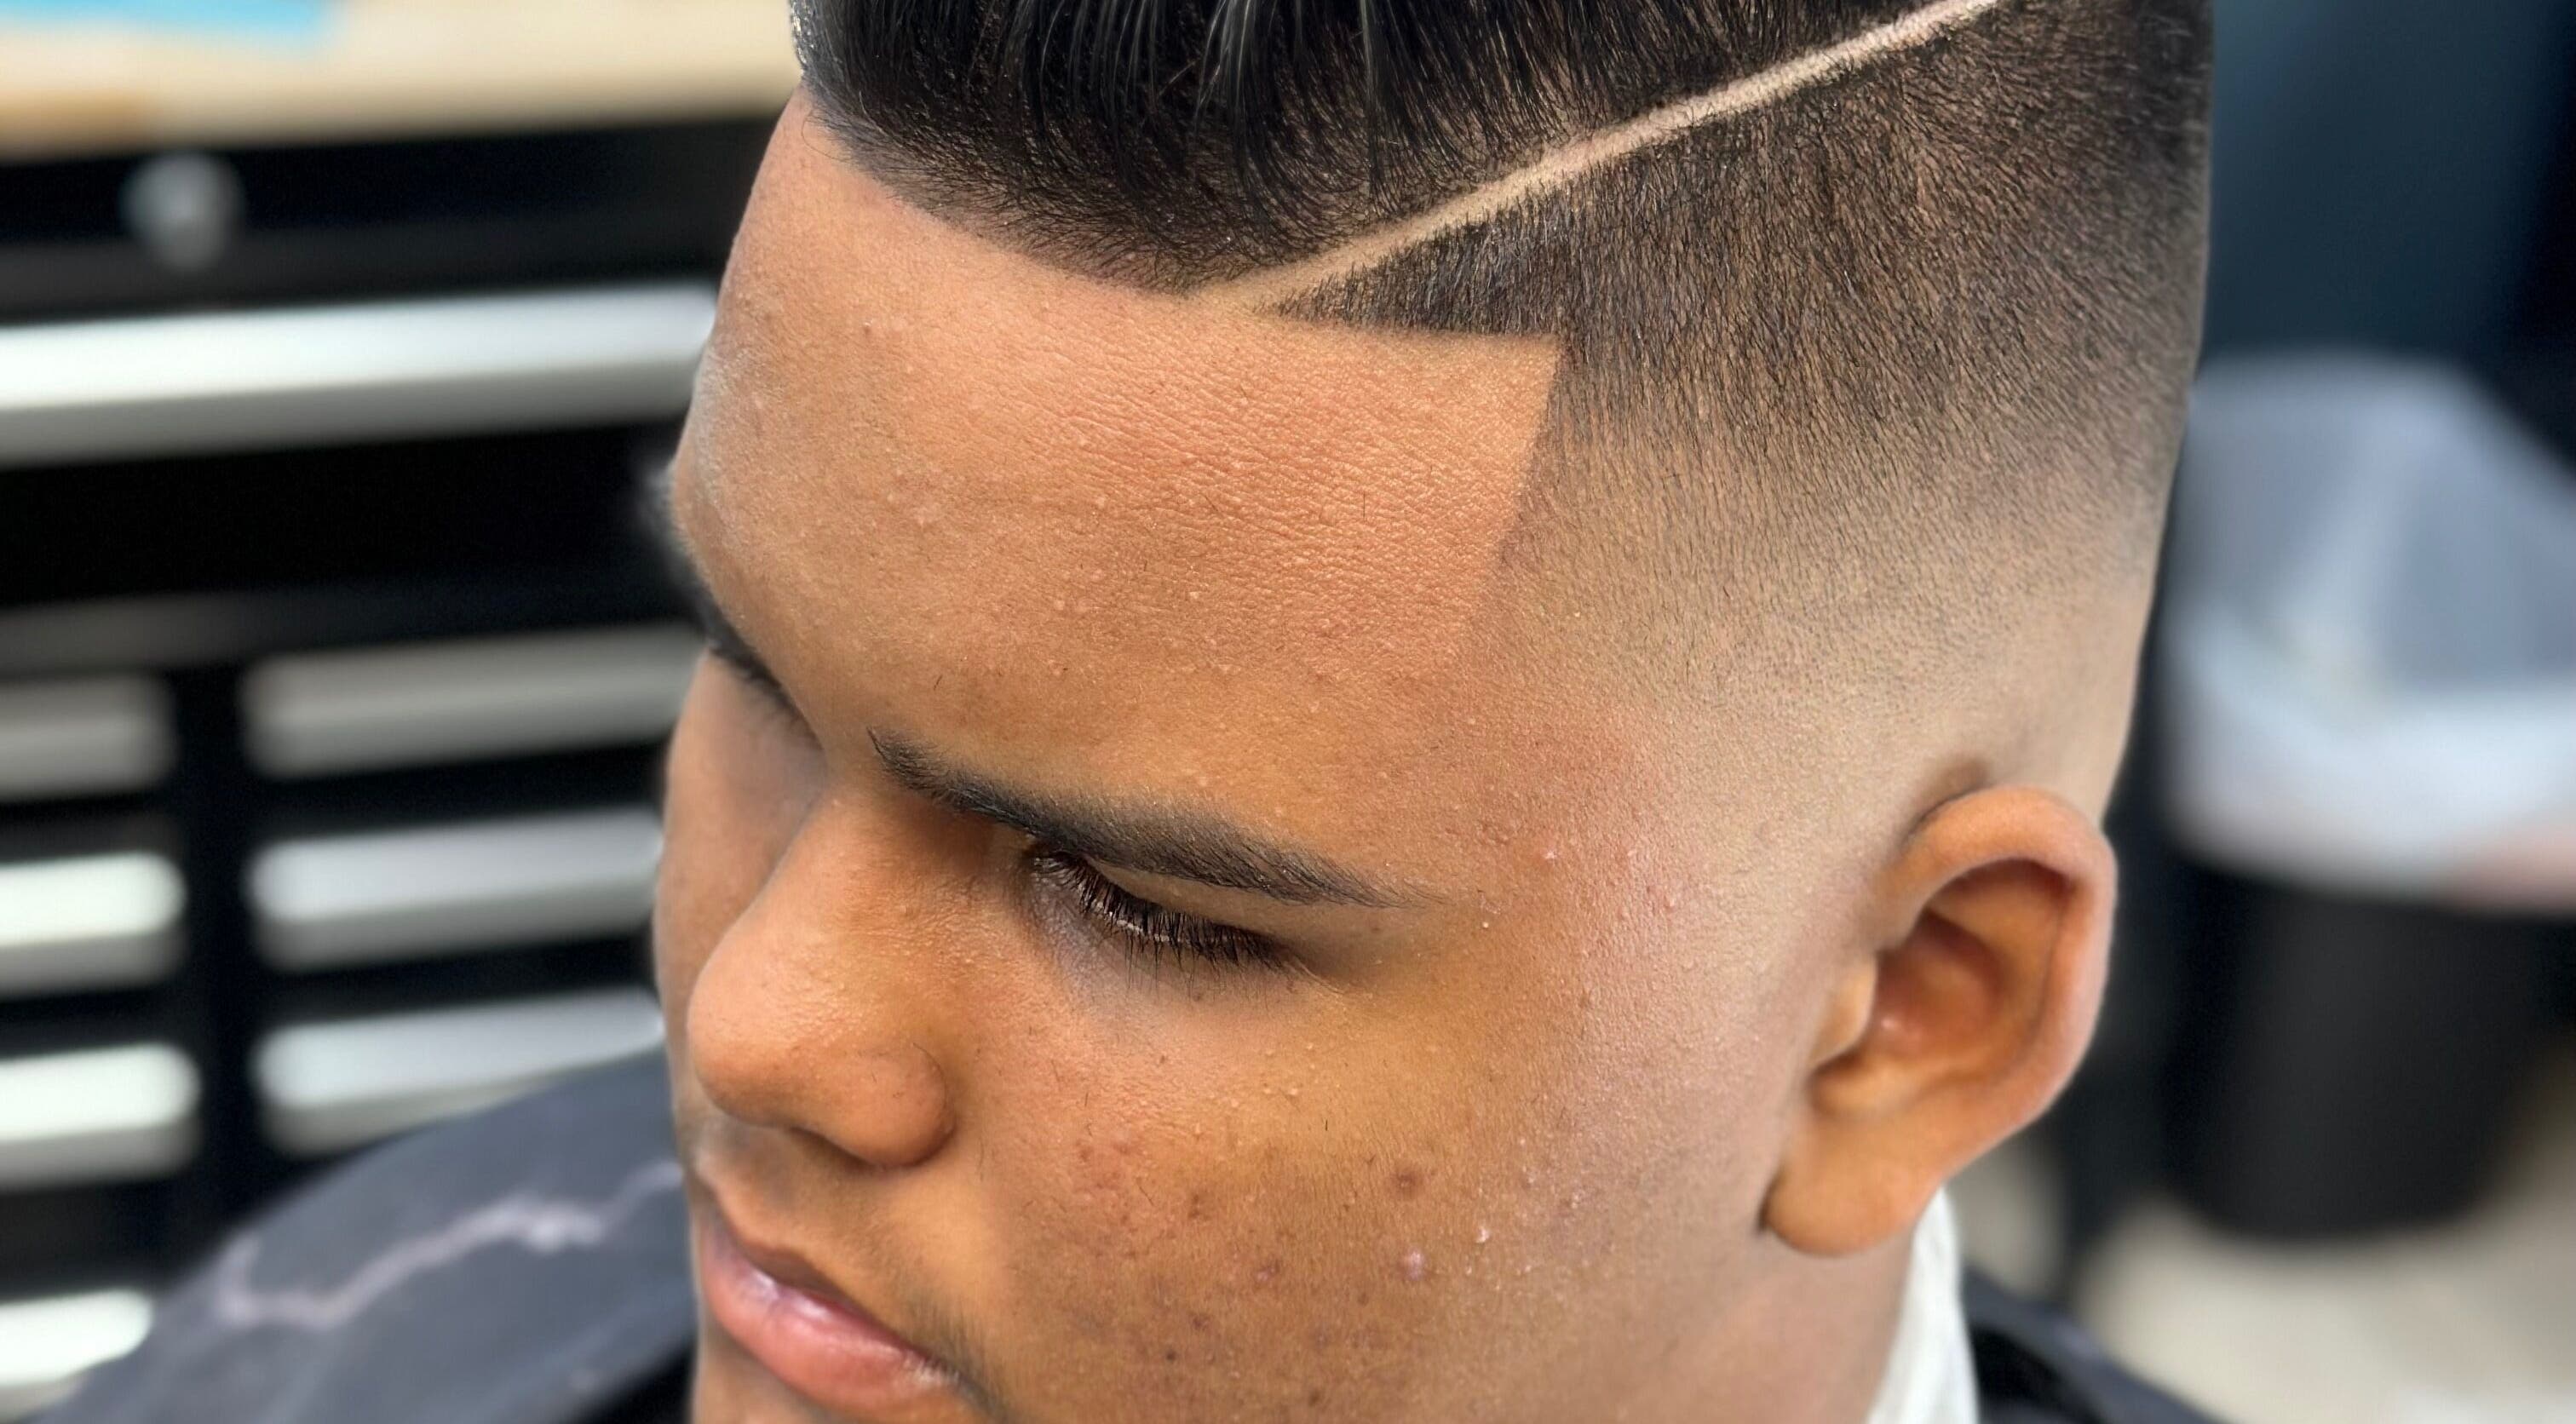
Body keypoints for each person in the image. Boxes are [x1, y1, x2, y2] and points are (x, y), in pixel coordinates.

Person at [51, 0, 2218, 1420]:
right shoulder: (334, 1349)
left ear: (1907, 1005)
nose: (749, 1026)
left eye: (1139, 900)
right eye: (760, 676)